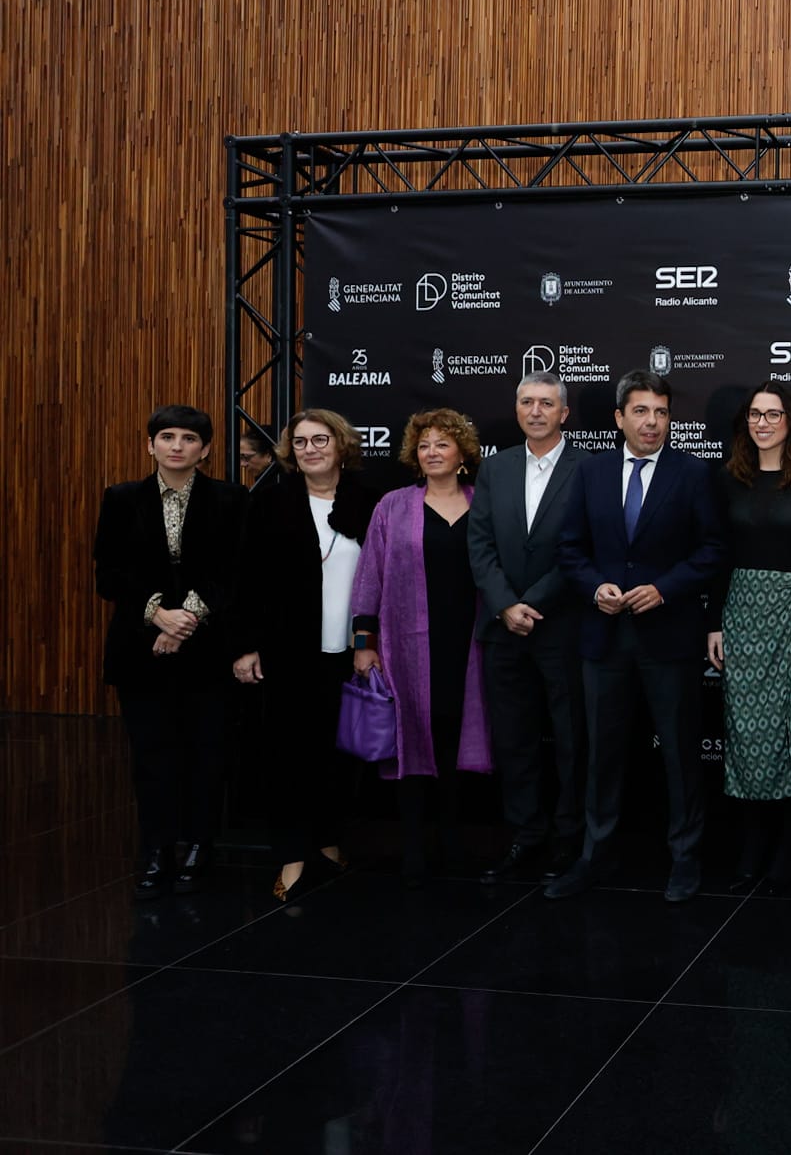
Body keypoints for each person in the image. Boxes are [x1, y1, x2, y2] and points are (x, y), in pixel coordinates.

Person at [551, 371, 724, 902]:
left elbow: (713, 549)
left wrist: (665, 589)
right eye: (643, 412)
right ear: (619, 417)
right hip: (603, 637)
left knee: (679, 754)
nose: (653, 423)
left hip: (668, 637)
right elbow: (570, 548)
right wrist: (594, 586)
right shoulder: (591, 472)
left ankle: (685, 858)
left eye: (663, 413)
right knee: (601, 753)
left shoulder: (693, 473)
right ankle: (595, 854)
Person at [93, 405, 244, 897]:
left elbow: (233, 572)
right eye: (166, 437)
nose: (177, 445)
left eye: (188, 439)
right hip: (140, 649)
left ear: (204, 450)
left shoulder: (230, 499)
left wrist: (186, 621)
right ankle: (157, 849)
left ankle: (201, 845)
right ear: (150, 445)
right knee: (152, 753)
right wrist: (157, 613)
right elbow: (109, 574)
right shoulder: (120, 499)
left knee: (206, 750)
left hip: (208, 649)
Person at [231, 409, 379, 902]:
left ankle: (331, 841)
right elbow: (246, 580)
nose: (310, 449)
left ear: (340, 445)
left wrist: (366, 644)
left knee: (339, 757)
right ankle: (294, 854)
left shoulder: (369, 502)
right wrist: (247, 644)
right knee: (288, 756)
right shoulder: (270, 502)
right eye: (299, 443)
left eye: (320, 440)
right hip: (287, 653)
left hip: (349, 653)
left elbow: (382, 582)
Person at [349, 409, 493, 887]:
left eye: (442, 444)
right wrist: (364, 643)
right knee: (411, 741)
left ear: (462, 455)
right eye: (424, 445)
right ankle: (413, 846)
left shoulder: (483, 502)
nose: (431, 452)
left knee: (456, 740)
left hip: (471, 646)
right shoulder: (394, 505)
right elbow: (370, 575)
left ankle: (453, 841)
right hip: (406, 646)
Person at [708, 381, 791, 895]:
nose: (763, 423)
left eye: (773, 414)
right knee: (746, 733)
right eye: (755, 415)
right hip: (742, 614)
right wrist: (714, 622)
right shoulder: (728, 478)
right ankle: (752, 846)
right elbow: (719, 554)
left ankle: (789, 846)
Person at [468, 371, 588, 882]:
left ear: (564, 413)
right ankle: (525, 835)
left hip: (563, 627)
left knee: (569, 739)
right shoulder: (494, 469)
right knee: (514, 740)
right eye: (526, 402)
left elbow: (584, 549)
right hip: (502, 628)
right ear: (516, 410)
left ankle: (569, 838)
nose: (535, 411)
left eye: (546, 403)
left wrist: (532, 603)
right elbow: (480, 544)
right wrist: (504, 606)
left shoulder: (590, 469)